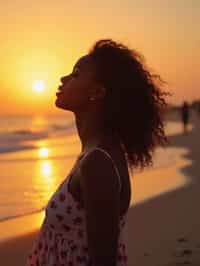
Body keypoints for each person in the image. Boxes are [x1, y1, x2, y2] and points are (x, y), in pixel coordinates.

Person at [26, 39, 169, 266]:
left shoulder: (98, 164)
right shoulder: (94, 152)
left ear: (97, 92)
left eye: (75, 74)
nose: (64, 79)